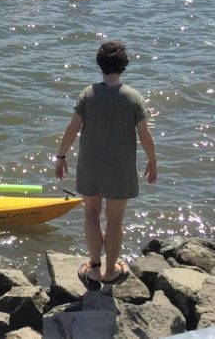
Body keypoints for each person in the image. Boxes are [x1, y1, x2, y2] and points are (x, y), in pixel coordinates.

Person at [55, 41, 158, 287]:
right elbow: (145, 134)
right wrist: (152, 161)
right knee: (115, 222)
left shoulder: (87, 94)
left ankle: (94, 269)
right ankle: (111, 271)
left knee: (91, 216)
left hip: (90, 167)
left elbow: (72, 128)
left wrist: (60, 156)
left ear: (100, 64)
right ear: (124, 65)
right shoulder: (133, 97)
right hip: (120, 169)